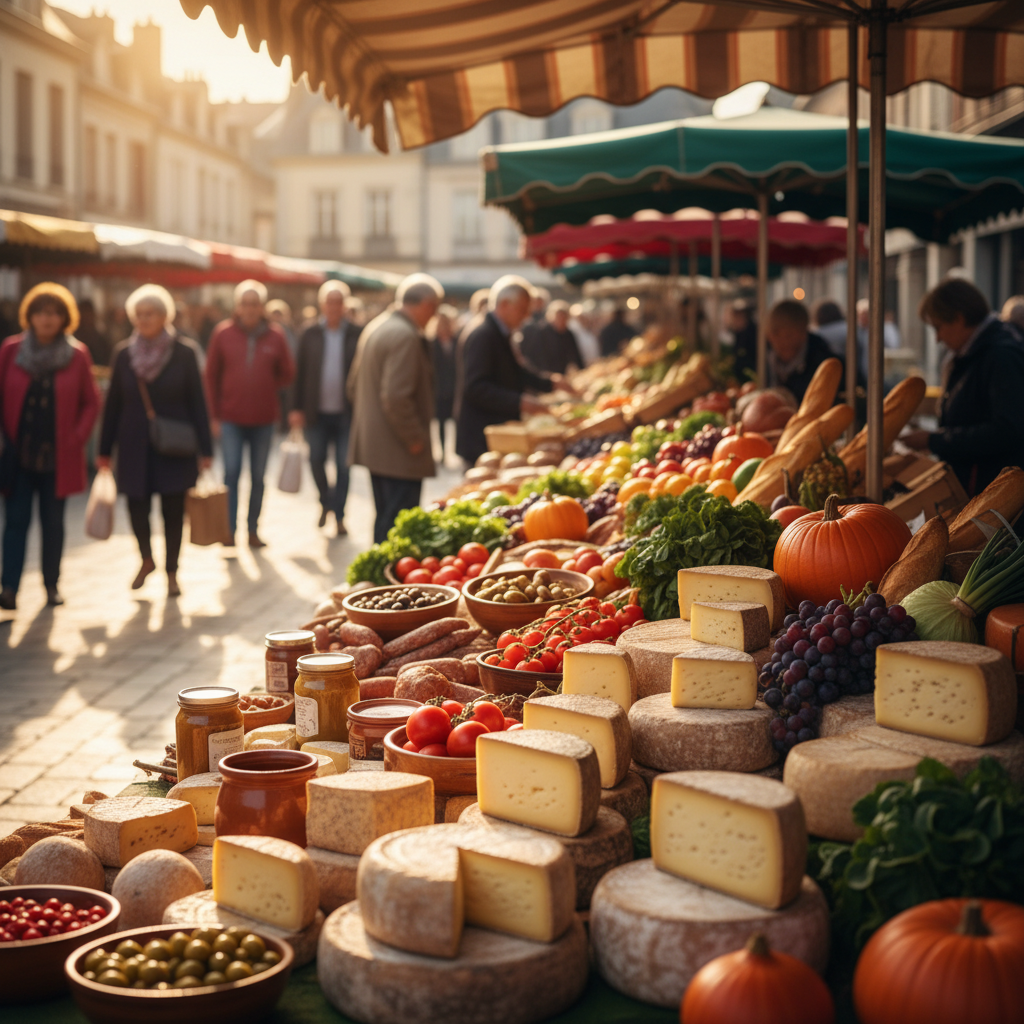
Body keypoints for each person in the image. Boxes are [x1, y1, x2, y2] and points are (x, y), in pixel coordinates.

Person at [97, 284, 213, 597]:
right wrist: (104, 450)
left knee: (174, 511)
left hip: (175, 445)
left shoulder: (184, 352)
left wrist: (206, 449)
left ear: (165, 316)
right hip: (133, 444)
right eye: (139, 314)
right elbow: (113, 405)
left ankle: (172, 573)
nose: (144, 319)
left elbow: (198, 403)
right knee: (137, 506)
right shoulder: (123, 354)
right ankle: (146, 558)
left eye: (151, 314)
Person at [0, 283, 99, 609]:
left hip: (58, 456)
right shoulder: (11, 350)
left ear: (64, 319)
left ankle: (51, 585)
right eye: (41, 312)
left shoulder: (77, 354)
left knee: (53, 524)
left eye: (55, 313)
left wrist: (76, 438)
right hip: (17, 454)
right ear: (30, 316)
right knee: (15, 521)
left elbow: (91, 402)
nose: (47, 319)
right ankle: (9, 588)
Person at [904, 278, 1024, 496]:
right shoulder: (973, 353)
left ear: (959, 319)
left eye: (938, 327)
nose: (938, 338)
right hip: (978, 487)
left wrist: (934, 440)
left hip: (993, 493)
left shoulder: (1000, 355)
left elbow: (1007, 430)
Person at [348, 274, 442, 544]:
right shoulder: (405, 335)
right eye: (433, 309)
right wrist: (413, 438)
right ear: (426, 304)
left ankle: (378, 581)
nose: (433, 317)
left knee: (385, 517)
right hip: (398, 448)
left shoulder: (377, 327)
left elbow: (353, 387)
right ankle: (382, 584)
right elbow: (396, 397)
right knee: (396, 526)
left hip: (378, 444)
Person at [205, 279, 294, 548]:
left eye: (255, 304)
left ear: (262, 307)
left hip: (264, 420)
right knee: (231, 473)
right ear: (238, 306)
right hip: (230, 418)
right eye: (245, 303)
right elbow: (210, 377)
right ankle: (228, 531)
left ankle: (252, 530)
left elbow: (288, 373)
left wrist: (265, 385)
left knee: (258, 476)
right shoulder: (223, 333)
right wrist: (214, 417)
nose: (250, 309)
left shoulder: (276, 335)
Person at [456, 275, 575, 466]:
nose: (526, 317)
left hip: (494, 432)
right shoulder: (483, 334)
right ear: (504, 304)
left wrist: (550, 383)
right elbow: (476, 387)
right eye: (522, 310)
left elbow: (517, 372)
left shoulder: (499, 332)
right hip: (481, 437)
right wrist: (519, 402)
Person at [289, 281, 361, 535]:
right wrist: (295, 408)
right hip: (315, 411)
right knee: (316, 460)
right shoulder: (309, 333)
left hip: (346, 412)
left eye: (338, 302)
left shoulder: (356, 333)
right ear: (322, 305)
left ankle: (339, 515)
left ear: (344, 305)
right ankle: (325, 502)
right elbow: (298, 373)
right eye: (329, 302)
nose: (334, 307)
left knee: (344, 466)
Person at [765, 299, 846, 405]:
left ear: (803, 332)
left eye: (789, 335)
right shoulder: (762, 359)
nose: (782, 341)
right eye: (775, 333)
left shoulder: (828, 365)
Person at [520, 300, 583, 375]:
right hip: (545, 375)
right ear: (552, 317)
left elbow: (575, 355)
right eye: (559, 317)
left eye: (564, 318)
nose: (562, 320)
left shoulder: (568, 334)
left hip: (562, 373)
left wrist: (581, 370)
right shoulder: (541, 332)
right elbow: (536, 356)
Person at [430, 304, 459, 464]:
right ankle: (441, 452)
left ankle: (454, 450)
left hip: (453, 388)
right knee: (440, 423)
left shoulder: (456, 341)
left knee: (455, 420)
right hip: (439, 389)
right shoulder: (432, 343)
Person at [75, 298, 113, 367]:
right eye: (84, 313)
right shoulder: (74, 340)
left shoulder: (101, 339)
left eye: (89, 313)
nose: (87, 317)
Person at [726, 299, 757, 381]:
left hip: (751, 378)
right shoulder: (738, 332)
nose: (734, 319)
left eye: (736, 315)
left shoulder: (753, 334)